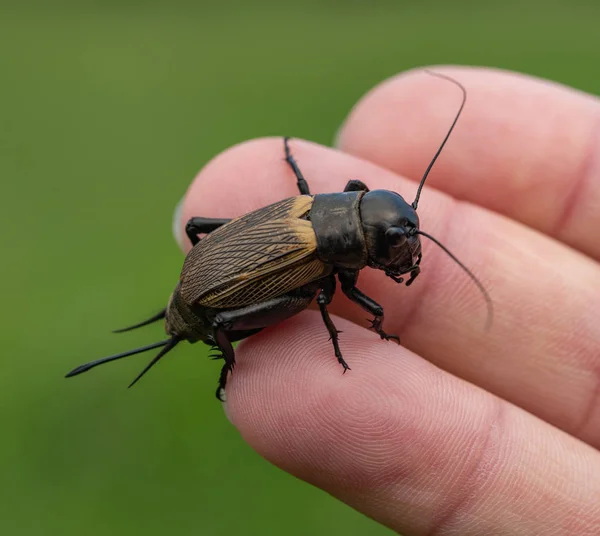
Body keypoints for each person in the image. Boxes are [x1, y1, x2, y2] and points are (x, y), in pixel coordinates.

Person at [173, 66, 600, 535]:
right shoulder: (318, 256)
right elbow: (353, 299)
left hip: (219, 261)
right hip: (211, 293)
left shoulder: (315, 204)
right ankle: (225, 363)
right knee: (307, 300)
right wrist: (358, 331)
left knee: (307, 294)